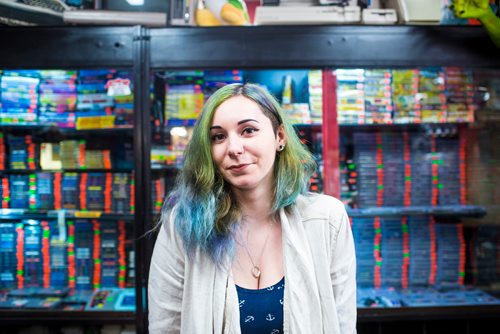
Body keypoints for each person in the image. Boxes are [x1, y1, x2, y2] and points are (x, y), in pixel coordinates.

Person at [148, 83, 357, 334]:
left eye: (248, 130)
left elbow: (343, 325)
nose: (234, 149)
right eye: (218, 136)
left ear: (280, 137)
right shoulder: (182, 226)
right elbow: (165, 328)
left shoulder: (326, 221)